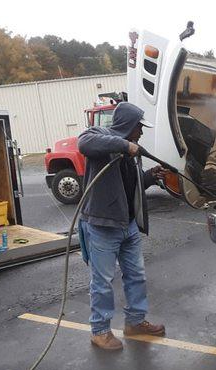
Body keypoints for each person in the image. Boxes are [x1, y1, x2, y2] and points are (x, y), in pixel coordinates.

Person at [78, 102, 166, 351]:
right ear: (128, 124)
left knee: (136, 275)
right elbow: (84, 142)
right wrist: (124, 144)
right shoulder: (100, 137)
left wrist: (149, 177)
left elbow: (127, 184)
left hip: (127, 225)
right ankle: (100, 331)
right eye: (139, 126)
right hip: (103, 226)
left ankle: (135, 322)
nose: (141, 131)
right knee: (103, 281)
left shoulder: (130, 152)